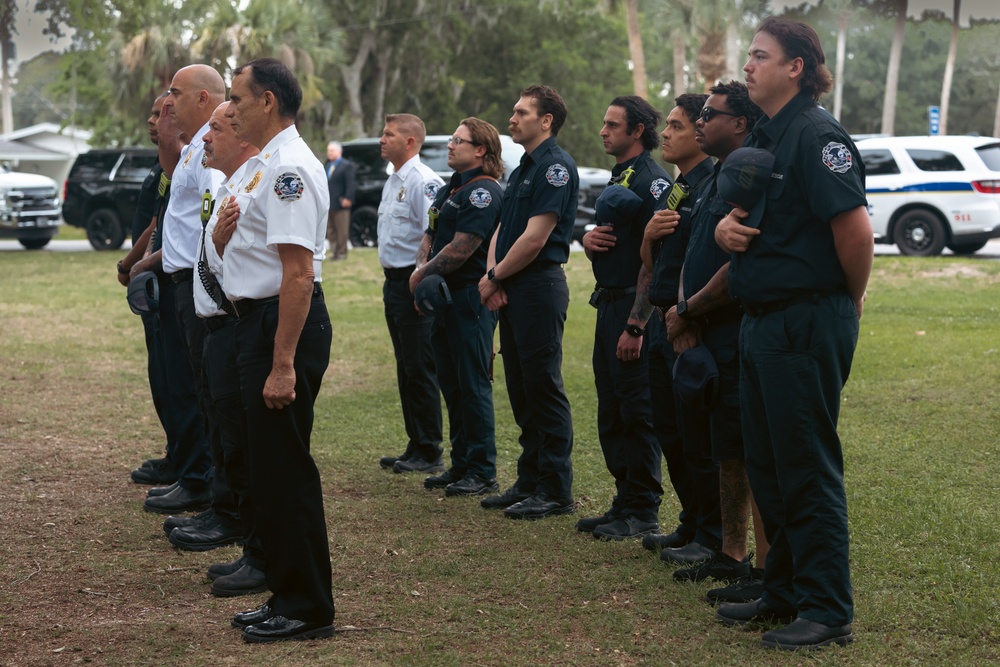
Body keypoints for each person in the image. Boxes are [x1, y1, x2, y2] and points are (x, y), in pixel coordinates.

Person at [713, 18, 873, 650]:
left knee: (805, 465)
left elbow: (854, 233)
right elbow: (759, 225)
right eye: (749, 56)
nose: (747, 66)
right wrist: (728, 232)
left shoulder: (816, 135)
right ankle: (782, 591)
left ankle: (828, 608)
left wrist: (847, 298)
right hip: (763, 322)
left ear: (796, 67)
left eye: (759, 56)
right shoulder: (771, 137)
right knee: (770, 465)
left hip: (804, 320)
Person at [218, 57, 335, 643]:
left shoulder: (288, 167)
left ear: (267, 101)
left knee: (285, 472)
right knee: (268, 471)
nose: (229, 106)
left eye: (237, 97)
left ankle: (308, 605)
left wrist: (283, 363)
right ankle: (287, 591)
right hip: (256, 323)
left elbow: (297, 275)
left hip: (280, 328)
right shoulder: (265, 164)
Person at [661, 82, 771, 603]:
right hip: (703, 330)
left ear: (741, 124)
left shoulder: (745, 178)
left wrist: (687, 310)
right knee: (720, 447)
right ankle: (727, 551)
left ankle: (748, 560)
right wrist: (684, 312)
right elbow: (690, 256)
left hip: (730, 330)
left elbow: (736, 267)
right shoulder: (709, 182)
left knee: (741, 451)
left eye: (710, 114)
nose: (700, 121)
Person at [175, 101, 265, 596]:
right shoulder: (223, 182)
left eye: (215, 128)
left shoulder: (254, 182)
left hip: (237, 324)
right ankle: (241, 531)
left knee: (245, 444)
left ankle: (251, 541)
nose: (204, 138)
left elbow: (263, 268)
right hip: (215, 323)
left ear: (242, 133)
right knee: (225, 435)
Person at [477, 85, 579, 520]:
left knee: (542, 386)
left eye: (521, 112)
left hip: (538, 285)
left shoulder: (554, 168)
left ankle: (555, 489)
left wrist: (497, 275)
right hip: (512, 282)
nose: (512, 119)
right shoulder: (522, 169)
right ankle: (530, 479)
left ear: (546, 120)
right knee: (520, 385)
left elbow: (536, 239)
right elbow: (503, 229)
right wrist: (492, 275)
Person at [576, 96, 671, 540]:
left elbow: (656, 260)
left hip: (633, 311)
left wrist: (637, 324)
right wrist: (588, 238)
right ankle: (623, 500)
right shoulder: (622, 174)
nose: (603, 130)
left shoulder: (653, 180)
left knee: (636, 410)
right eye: (604, 122)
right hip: (607, 303)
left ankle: (643, 510)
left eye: (613, 124)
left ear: (637, 131)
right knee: (612, 409)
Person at [640, 94, 722, 560]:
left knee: (699, 436)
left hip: (688, 323)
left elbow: (709, 260)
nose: (665, 134)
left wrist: (688, 315)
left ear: (700, 133)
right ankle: (691, 522)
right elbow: (658, 261)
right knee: (669, 430)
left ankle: (711, 536)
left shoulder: (715, 182)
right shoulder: (680, 186)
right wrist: (648, 239)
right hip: (660, 319)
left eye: (675, 126)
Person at [140, 65, 226, 516]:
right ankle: (195, 475)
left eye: (175, 93)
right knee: (185, 381)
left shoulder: (208, 152)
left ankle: (200, 480)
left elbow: (207, 224)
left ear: (203, 99)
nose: (167, 103)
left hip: (196, 284)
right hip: (177, 281)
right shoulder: (194, 149)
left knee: (197, 389)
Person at [408, 118, 504, 497]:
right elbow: (430, 236)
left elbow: (463, 248)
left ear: (480, 149)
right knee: (450, 381)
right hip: (443, 298)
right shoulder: (452, 188)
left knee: (472, 384)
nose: (450, 145)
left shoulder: (483, 192)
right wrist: (422, 274)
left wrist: (419, 277)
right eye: (451, 139)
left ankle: (481, 470)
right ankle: (462, 463)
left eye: (458, 141)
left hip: (470, 299)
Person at [375, 113, 446, 474]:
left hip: (413, 282)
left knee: (420, 365)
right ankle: (416, 442)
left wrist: (420, 284)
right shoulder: (393, 181)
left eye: (389, 135)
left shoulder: (423, 182)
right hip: (393, 282)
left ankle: (430, 447)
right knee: (405, 365)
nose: (382, 139)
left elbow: (431, 239)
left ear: (410, 142)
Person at [118, 93, 177, 487]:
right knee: (161, 374)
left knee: (175, 377)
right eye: (152, 113)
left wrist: (132, 263)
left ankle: (188, 461)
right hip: (150, 281)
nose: (152, 120)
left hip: (165, 279)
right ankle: (178, 451)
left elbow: (158, 228)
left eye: (161, 113)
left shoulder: (176, 170)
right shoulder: (159, 169)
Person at [324, 141, 356, 260]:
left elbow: (351, 183)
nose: (329, 153)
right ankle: (334, 252)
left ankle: (342, 253)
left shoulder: (346, 166)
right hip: (329, 203)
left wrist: (348, 198)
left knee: (341, 230)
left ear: (339, 152)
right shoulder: (327, 166)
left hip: (341, 203)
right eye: (328, 150)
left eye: (332, 150)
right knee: (331, 230)